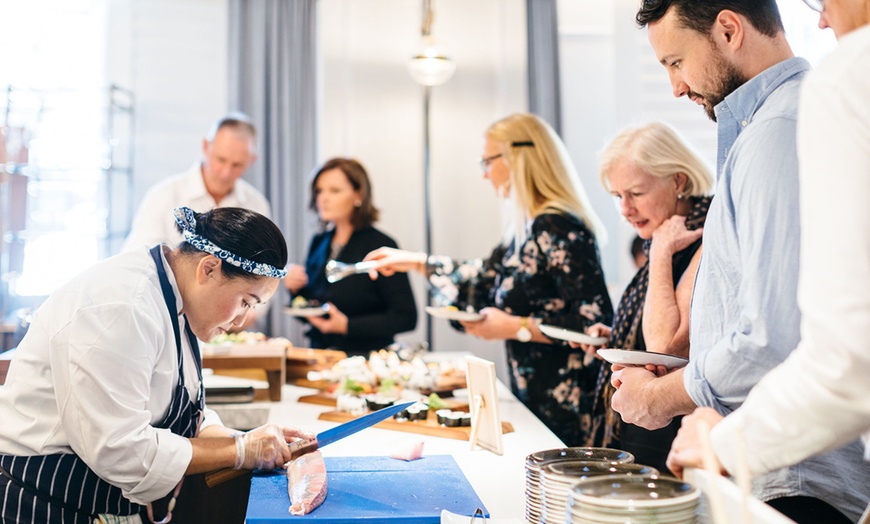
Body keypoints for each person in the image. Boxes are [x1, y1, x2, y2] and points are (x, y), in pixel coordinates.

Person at [610, 1, 870, 521]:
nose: (676, 88)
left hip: (796, 479)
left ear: (728, 30)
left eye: (676, 63)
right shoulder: (762, 128)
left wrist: (658, 398)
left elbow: (773, 338)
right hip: (773, 467)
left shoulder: (779, 128)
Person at [0, 207, 309, 523]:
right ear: (210, 268)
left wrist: (245, 439)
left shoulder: (175, 298)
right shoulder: (123, 305)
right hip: (44, 501)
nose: (242, 320)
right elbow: (121, 450)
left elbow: (182, 410)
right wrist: (239, 450)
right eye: (245, 301)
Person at [363, 113, 613, 447]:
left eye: (487, 161)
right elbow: (483, 278)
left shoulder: (560, 228)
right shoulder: (526, 229)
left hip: (570, 403)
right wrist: (414, 262)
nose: (484, 174)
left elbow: (594, 324)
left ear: (518, 159)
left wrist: (513, 326)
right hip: (536, 395)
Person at [576, 122, 713, 473]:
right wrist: (619, 337)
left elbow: (665, 346)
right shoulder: (666, 234)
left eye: (635, 193)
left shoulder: (704, 232)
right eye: (617, 196)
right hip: (651, 426)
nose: (625, 208)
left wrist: (661, 253)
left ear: (678, 181)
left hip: (669, 435)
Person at [284, 158, 417, 356]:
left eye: (334, 191)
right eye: (319, 191)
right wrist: (294, 289)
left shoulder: (381, 246)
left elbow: (406, 317)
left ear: (358, 195)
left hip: (366, 360)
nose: (323, 198)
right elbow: (313, 306)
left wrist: (347, 326)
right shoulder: (319, 242)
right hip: (321, 356)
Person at [122, 112, 270, 251]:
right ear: (205, 147)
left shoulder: (257, 204)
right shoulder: (163, 195)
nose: (225, 173)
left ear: (252, 160)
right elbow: (136, 259)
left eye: (237, 165)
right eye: (221, 159)